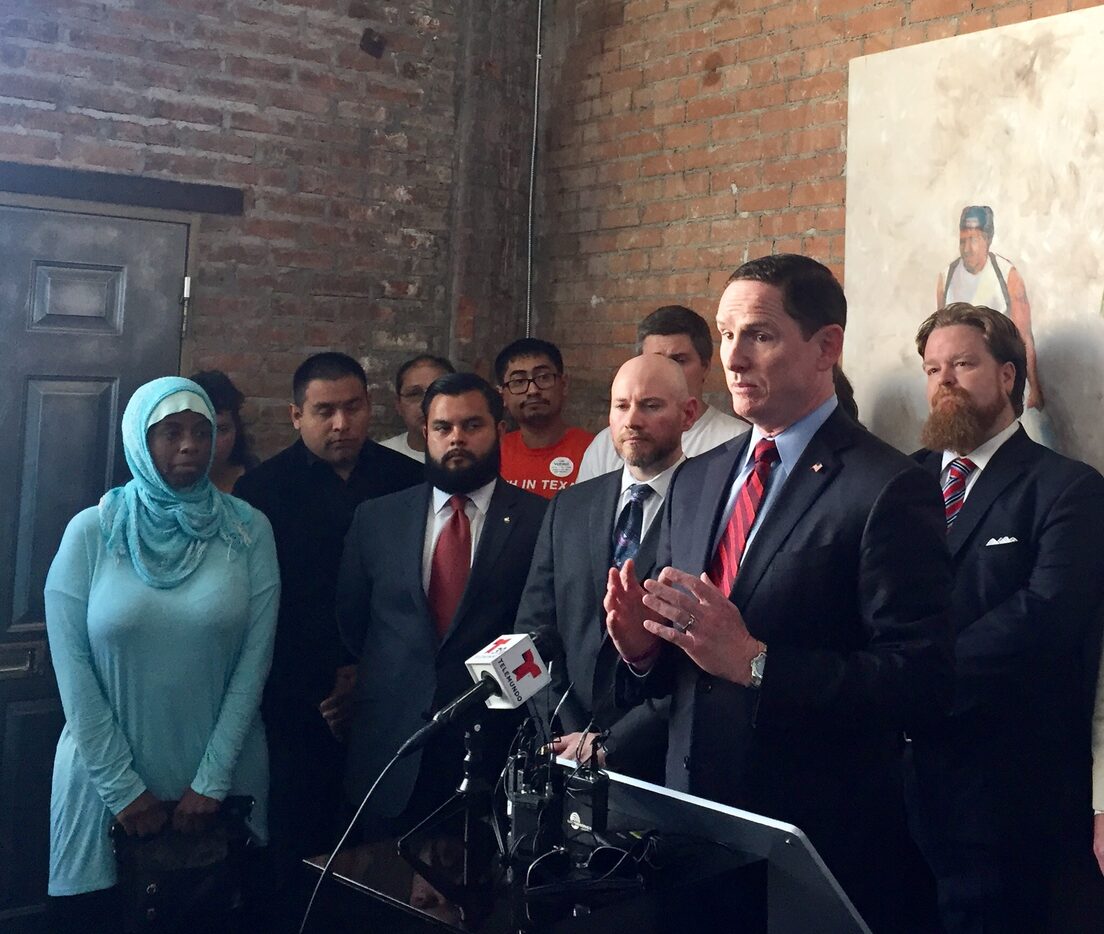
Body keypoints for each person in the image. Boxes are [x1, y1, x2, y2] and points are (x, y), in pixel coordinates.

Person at [605, 254, 954, 932]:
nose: (732, 357)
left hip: (814, 841)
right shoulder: (699, 477)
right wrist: (646, 651)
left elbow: (922, 682)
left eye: (758, 334)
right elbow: (686, 669)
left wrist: (759, 662)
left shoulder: (886, 487)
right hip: (691, 830)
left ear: (826, 346)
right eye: (725, 332)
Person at [44, 377, 279, 934]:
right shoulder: (92, 532)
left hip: (225, 783)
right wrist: (124, 790)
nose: (191, 445)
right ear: (137, 441)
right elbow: (72, 670)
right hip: (102, 788)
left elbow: (254, 663)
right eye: (169, 432)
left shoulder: (247, 531)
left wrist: (211, 784)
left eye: (203, 431)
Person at [906, 303, 1104, 934]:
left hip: (1014, 792)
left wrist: (913, 676)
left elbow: (1045, 615)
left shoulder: (1068, 488)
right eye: (933, 368)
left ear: (1009, 375)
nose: (944, 382)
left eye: (963, 364)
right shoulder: (897, 483)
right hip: (900, 784)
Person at [232, 352, 422, 927]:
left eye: (353, 407)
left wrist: (365, 671)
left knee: (385, 854)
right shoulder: (261, 492)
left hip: (391, 696)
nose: (341, 423)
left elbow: (417, 595)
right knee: (297, 852)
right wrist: (327, 681)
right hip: (296, 704)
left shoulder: (408, 480)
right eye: (324, 411)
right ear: (296, 416)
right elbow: (259, 610)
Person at [338, 372, 546, 834]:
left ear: (499, 429)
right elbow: (353, 623)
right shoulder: (377, 519)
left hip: (494, 753)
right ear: (425, 432)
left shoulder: (542, 520)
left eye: (472, 426)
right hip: (391, 751)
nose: (457, 439)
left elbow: (545, 632)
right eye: (442, 427)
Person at [514, 354, 693, 781]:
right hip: (563, 752)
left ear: (687, 415)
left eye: (651, 406)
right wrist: (565, 731)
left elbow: (697, 664)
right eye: (621, 405)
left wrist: (614, 744)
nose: (632, 420)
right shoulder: (570, 506)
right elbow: (532, 631)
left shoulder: (708, 508)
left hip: (658, 761)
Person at [575, 305, 745, 481]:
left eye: (679, 360)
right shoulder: (606, 446)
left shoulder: (737, 441)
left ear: (705, 367)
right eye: (656, 359)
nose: (666, 368)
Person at [937, 205, 1044, 409]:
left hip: (1002, 382)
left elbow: (1024, 337)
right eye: (963, 240)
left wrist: (1035, 390)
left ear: (987, 239)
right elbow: (940, 338)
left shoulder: (1007, 275)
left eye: (974, 240)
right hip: (960, 384)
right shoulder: (946, 277)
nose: (967, 248)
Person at [494, 337, 594, 499]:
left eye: (543, 377)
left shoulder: (593, 451)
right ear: (502, 395)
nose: (533, 390)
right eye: (519, 381)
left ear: (564, 384)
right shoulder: (493, 454)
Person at [189, 369, 258, 492]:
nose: (212, 441)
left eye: (222, 429)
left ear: (236, 429)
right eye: (201, 432)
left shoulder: (259, 480)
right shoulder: (166, 485)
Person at [380, 354, 455, 463]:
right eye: (414, 394)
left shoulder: (473, 455)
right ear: (398, 404)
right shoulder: (382, 458)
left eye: (437, 392)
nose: (426, 403)